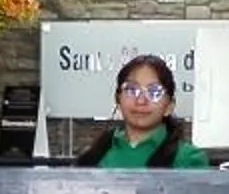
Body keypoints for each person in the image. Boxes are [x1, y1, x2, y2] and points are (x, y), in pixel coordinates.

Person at [77, 53, 211, 169]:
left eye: (154, 92)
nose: (141, 101)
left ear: (169, 106)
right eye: (131, 90)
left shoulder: (188, 160)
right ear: (118, 100)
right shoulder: (94, 156)